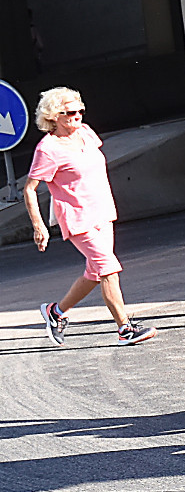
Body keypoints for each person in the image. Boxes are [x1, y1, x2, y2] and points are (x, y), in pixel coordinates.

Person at [24, 87, 157, 345]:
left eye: (80, 110)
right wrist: (39, 226)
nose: (77, 115)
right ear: (53, 115)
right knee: (108, 269)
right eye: (70, 112)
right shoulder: (47, 149)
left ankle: (56, 312)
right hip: (76, 218)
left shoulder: (86, 133)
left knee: (95, 273)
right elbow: (30, 189)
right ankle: (125, 329)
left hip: (103, 211)